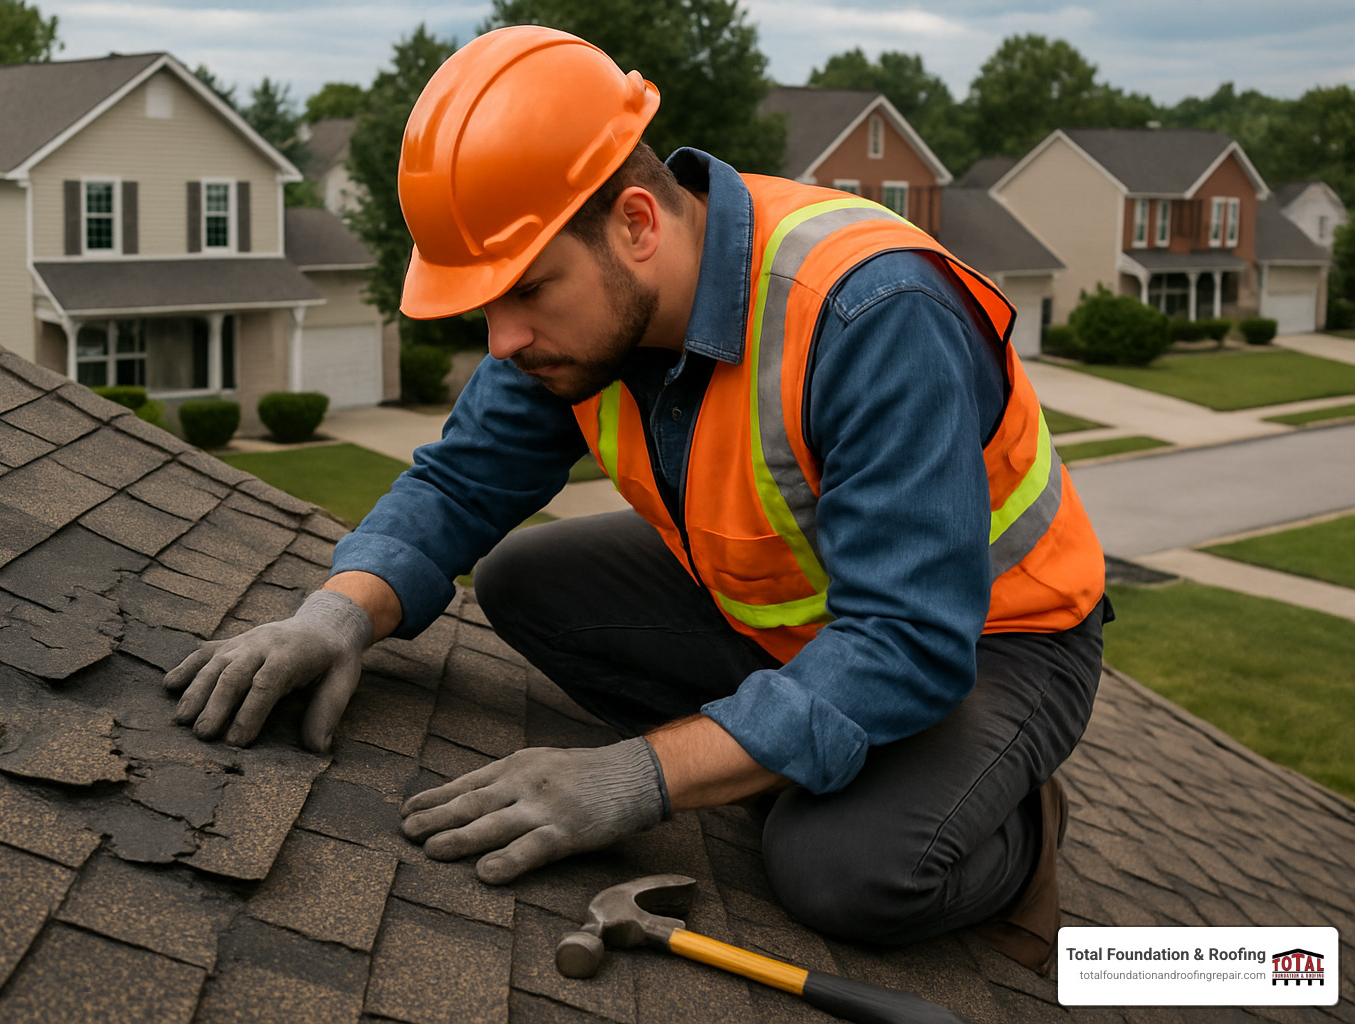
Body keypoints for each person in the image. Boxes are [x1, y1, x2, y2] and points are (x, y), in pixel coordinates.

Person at [164, 25, 1109, 975]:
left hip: (995, 637)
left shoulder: (869, 314)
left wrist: (637, 776)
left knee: (844, 871)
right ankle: (787, 739)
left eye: (527, 290)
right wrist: (337, 615)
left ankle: (1012, 824)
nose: (504, 340)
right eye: (484, 305)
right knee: (527, 582)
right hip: (797, 616)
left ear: (637, 222)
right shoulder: (586, 318)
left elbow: (906, 640)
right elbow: (464, 477)